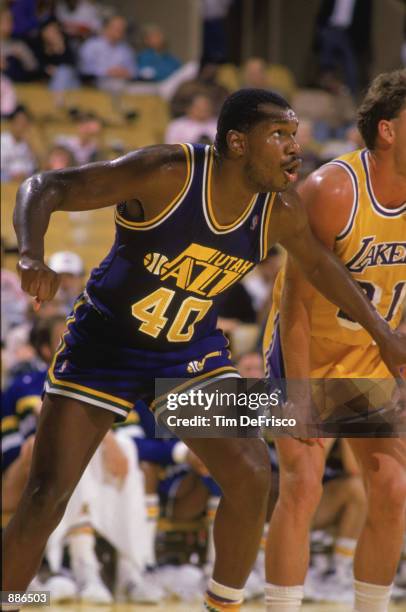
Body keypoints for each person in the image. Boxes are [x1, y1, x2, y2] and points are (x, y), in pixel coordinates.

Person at [4, 87, 406, 612]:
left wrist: (381, 332)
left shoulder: (278, 209)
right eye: (279, 135)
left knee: (251, 472)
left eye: (295, 134)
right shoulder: (169, 173)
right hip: (104, 350)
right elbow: (46, 185)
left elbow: (322, 266)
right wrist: (31, 254)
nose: (293, 148)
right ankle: (12, 597)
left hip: (185, 358)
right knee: (45, 498)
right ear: (238, 142)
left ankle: (223, 605)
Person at [263, 70, 406, 611]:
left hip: (372, 358)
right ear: (388, 130)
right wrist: (297, 393)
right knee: (302, 484)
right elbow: (294, 302)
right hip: (308, 352)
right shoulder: (331, 190)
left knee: (393, 489)